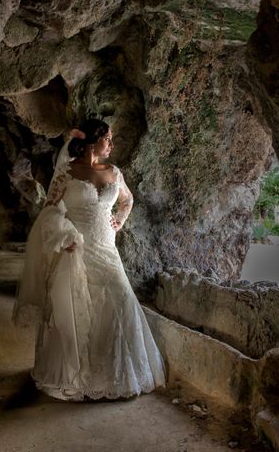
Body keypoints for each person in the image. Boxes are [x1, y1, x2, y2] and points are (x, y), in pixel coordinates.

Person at [13, 118, 166, 401]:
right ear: (93, 140)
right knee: (80, 304)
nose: (111, 143)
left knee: (119, 297)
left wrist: (118, 220)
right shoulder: (67, 173)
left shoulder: (114, 172)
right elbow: (50, 212)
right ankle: (81, 378)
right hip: (78, 250)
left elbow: (127, 200)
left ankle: (116, 375)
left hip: (107, 247)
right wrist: (66, 235)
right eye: (108, 138)